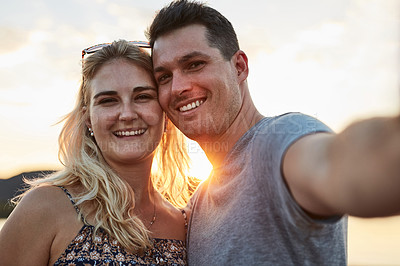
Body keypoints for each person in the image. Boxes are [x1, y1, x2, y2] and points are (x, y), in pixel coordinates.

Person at [146, 0, 400, 265]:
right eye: (164, 77)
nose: (177, 88)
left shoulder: (279, 141)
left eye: (195, 64)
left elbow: (343, 164)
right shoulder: (198, 204)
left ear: (239, 67)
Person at [0, 40, 193, 265]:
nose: (127, 114)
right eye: (108, 101)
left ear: (165, 113)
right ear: (88, 118)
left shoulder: (184, 224)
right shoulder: (46, 206)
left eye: (143, 97)